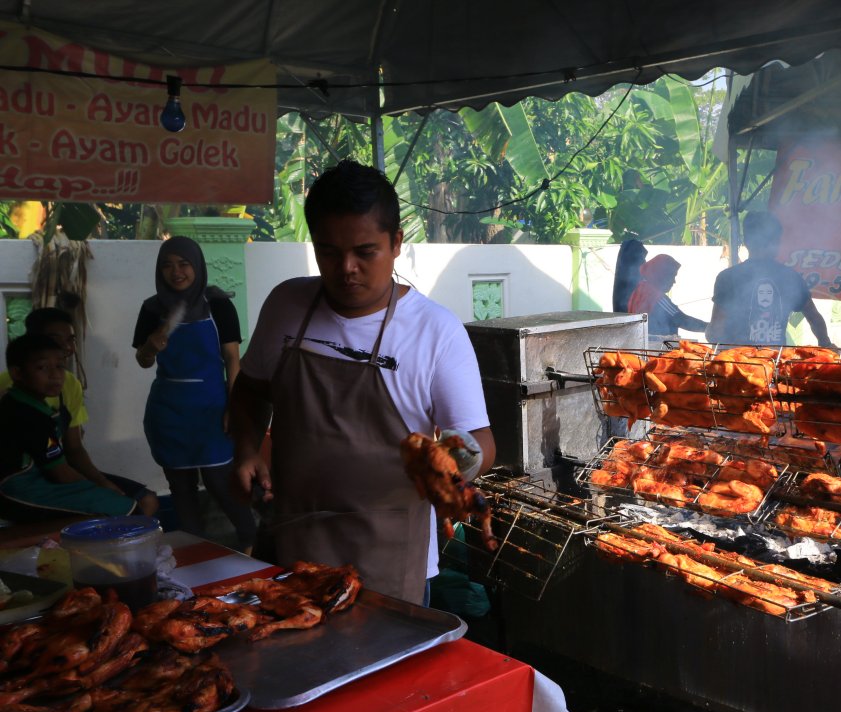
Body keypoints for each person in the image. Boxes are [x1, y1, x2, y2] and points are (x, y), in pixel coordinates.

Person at [228, 159, 495, 605]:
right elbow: (252, 389)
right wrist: (246, 450)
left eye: (365, 251)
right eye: (329, 251)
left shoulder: (436, 331)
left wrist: (457, 462)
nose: (346, 267)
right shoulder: (286, 305)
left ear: (396, 243)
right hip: (292, 539)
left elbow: (481, 439)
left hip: (388, 555)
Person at [133, 237, 256, 553]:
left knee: (220, 483)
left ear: (197, 266)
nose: (176, 272)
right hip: (168, 412)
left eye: (183, 263)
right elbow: (143, 361)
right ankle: (196, 553)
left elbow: (232, 361)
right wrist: (151, 345)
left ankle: (253, 541)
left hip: (211, 409)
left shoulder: (218, 305)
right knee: (181, 488)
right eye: (167, 265)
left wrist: (235, 405)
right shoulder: (151, 308)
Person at [0, 307, 158, 517]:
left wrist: (101, 484)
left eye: (70, 340)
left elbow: (73, 450)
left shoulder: (67, 386)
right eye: (43, 367)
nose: (55, 374)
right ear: (18, 372)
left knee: (146, 501)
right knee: (122, 508)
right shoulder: (20, 404)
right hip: (25, 485)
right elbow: (60, 472)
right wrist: (97, 490)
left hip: (54, 470)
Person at [706, 211, 834, 348]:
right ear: (776, 242)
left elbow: (716, 332)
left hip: (737, 363)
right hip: (774, 363)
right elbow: (814, 318)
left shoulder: (727, 278)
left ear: (746, 241)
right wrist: (826, 343)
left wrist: (708, 332)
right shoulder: (790, 277)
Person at [627, 253, 708, 340]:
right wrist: (710, 327)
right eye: (672, 276)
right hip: (657, 348)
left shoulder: (640, 290)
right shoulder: (656, 297)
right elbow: (681, 320)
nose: (674, 281)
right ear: (661, 275)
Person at [612, 238, 648, 312]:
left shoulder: (624, 259)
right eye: (643, 258)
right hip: (628, 310)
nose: (644, 261)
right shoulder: (633, 266)